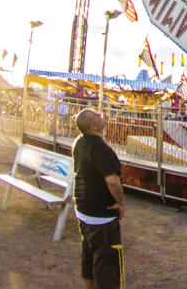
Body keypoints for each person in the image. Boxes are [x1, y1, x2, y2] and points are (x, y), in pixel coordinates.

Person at [72, 109, 125, 289]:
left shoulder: (79, 143)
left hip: (84, 209)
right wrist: (120, 203)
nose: (102, 116)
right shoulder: (100, 148)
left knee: (89, 256)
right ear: (93, 126)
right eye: (98, 116)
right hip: (101, 215)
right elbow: (113, 181)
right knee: (107, 264)